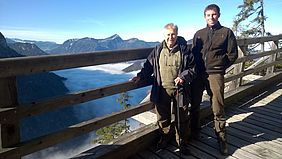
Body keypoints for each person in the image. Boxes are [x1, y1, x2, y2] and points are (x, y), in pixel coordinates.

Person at [132, 23, 196, 154]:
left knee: (182, 118)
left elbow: (192, 69)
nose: (170, 37)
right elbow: (148, 66)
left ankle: (182, 142)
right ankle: (165, 139)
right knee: (163, 118)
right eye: (168, 34)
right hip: (161, 89)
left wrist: (183, 77)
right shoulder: (157, 50)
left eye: (173, 34)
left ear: (177, 34)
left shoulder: (184, 50)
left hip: (180, 90)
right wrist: (140, 76)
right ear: (164, 35)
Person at [191, 4, 238, 155]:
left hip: (215, 74)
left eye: (214, 14)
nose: (211, 17)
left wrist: (220, 67)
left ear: (219, 15)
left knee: (218, 107)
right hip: (198, 74)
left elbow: (233, 54)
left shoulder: (226, 32)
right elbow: (193, 53)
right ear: (204, 16)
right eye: (208, 15)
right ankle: (194, 133)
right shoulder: (199, 33)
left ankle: (221, 138)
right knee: (195, 104)